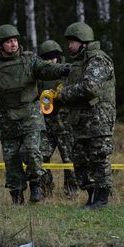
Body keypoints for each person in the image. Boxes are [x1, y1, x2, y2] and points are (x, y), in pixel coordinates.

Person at [0, 24, 70, 205]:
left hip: (31, 115)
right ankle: (17, 195)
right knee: (12, 159)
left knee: (32, 151)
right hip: (8, 119)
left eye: (15, 40)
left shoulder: (30, 61)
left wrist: (63, 69)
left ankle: (36, 185)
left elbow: (46, 69)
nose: (13, 44)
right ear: (1, 45)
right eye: (8, 42)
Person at [55, 22, 116, 209]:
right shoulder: (78, 63)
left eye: (72, 42)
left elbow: (90, 87)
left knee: (99, 157)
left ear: (84, 42)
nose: (69, 46)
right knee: (81, 160)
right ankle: (91, 197)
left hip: (98, 120)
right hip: (80, 121)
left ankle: (102, 200)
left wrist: (63, 94)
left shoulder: (98, 60)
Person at [37, 40, 78, 198]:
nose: (50, 60)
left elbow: (77, 92)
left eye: (53, 57)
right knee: (42, 156)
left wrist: (62, 94)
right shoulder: (39, 76)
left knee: (68, 159)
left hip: (65, 124)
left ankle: (71, 191)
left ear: (58, 57)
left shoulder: (67, 72)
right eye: (47, 57)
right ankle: (46, 190)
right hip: (45, 124)